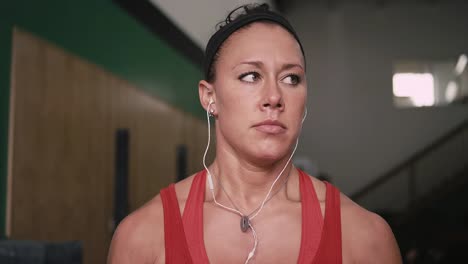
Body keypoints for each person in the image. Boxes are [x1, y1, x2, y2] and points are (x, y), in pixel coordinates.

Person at [107, 3, 402, 263]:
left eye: (291, 78)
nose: (273, 96)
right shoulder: (142, 237)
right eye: (250, 76)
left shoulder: (365, 237)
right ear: (209, 97)